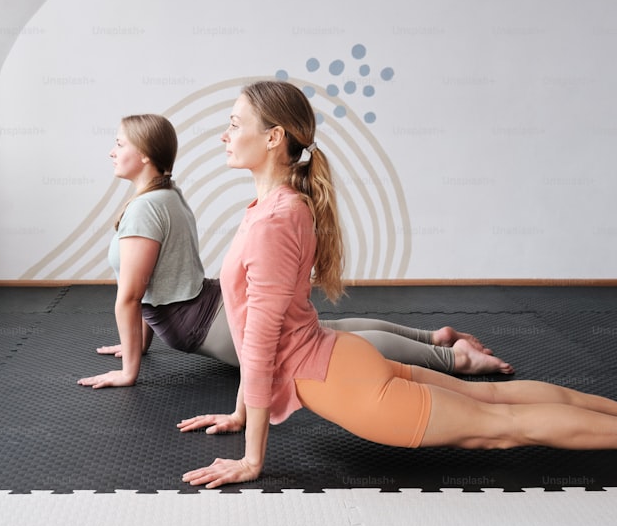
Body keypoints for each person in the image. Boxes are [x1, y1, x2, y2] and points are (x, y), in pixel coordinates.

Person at [178, 80, 617, 489]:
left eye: (234, 123)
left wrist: (253, 459)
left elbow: (259, 341)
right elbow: (258, 325)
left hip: (343, 380)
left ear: (273, 137)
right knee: (494, 402)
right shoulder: (273, 206)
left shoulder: (275, 218)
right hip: (340, 360)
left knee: (500, 425)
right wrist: (240, 413)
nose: (225, 134)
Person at [77, 114, 511, 390]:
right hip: (212, 308)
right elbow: (154, 285)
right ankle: (435, 337)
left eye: (120, 143)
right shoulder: (167, 195)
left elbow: (131, 296)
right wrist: (134, 344)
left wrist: (129, 370)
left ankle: (453, 359)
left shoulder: (145, 211)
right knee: (328, 330)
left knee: (330, 345)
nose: (112, 151)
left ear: (146, 156)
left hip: (212, 325)